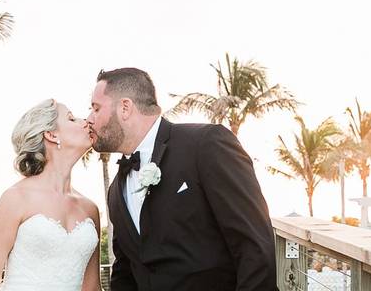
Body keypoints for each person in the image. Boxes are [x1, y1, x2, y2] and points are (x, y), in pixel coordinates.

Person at [87, 68, 277, 291]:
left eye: (96, 108)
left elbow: (254, 246)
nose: (89, 118)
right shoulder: (116, 191)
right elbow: (125, 272)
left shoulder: (206, 144)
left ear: (125, 107)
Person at [0, 99, 102, 291]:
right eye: (71, 119)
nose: (84, 121)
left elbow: (92, 288)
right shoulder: (15, 199)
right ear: (51, 134)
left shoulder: (90, 209)